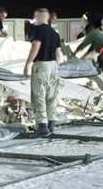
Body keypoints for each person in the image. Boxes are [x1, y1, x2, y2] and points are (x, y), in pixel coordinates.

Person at [24, 8, 63, 138]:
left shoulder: (39, 30)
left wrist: (28, 64)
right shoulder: (54, 33)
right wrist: (55, 67)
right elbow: (59, 54)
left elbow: (36, 46)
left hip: (41, 65)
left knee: (39, 95)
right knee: (51, 96)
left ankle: (42, 127)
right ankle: (51, 125)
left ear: (41, 17)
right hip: (53, 66)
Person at [72, 20, 103, 93]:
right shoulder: (96, 34)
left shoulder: (92, 34)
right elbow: (91, 49)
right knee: (100, 62)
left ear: (87, 30)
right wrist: (84, 57)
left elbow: (82, 46)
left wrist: (74, 54)